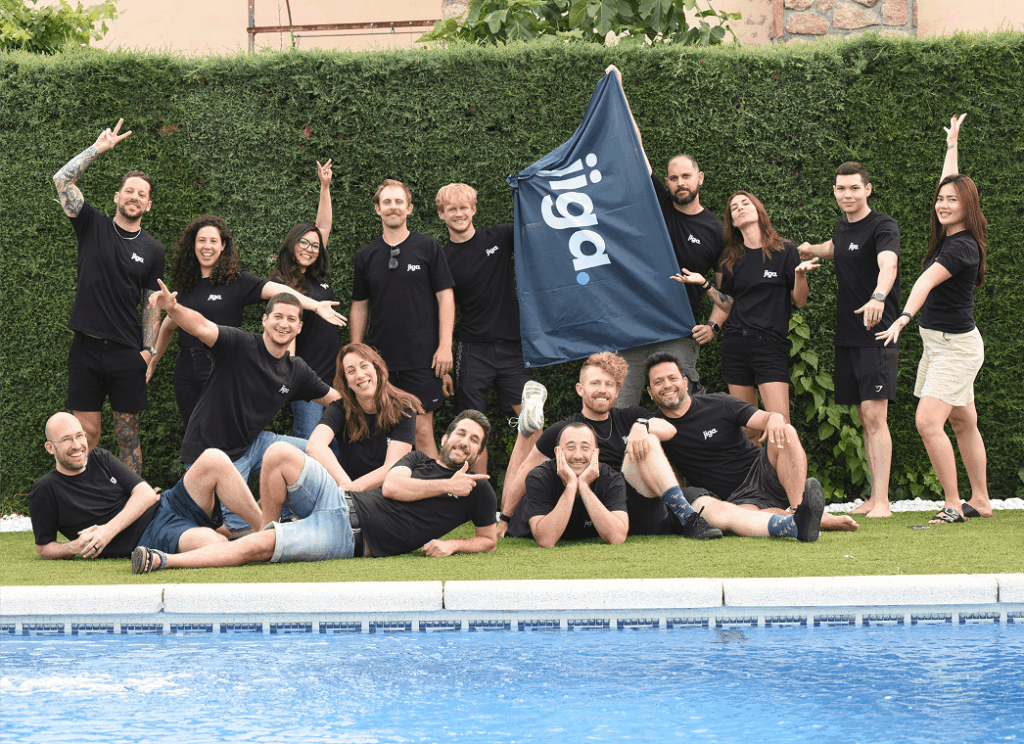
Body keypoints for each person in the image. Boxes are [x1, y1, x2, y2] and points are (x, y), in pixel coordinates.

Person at [130, 411, 497, 571]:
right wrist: (447, 485)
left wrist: (452, 544)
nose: (465, 442)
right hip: (339, 500)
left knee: (257, 549)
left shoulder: (479, 491)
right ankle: (268, 528)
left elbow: (489, 539)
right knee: (279, 453)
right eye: (461, 433)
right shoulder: (418, 459)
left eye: (474, 441)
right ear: (446, 437)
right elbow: (394, 487)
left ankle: (166, 561)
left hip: (347, 537)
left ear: (478, 453)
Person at [875, 114, 992, 525]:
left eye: (951, 201)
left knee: (928, 421)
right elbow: (953, 183)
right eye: (940, 199)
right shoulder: (954, 235)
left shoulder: (960, 249)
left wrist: (904, 316)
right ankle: (981, 499)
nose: (942, 204)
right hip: (942, 344)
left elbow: (924, 282)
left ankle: (954, 504)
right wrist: (951, 146)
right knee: (962, 421)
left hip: (954, 348)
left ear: (968, 207)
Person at [151, 282, 341, 531]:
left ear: (299, 327)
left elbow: (336, 400)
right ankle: (254, 521)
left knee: (316, 454)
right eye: (278, 316)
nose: (284, 324)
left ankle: (322, 510)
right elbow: (201, 326)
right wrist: (173, 308)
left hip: (254, 443)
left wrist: (383, 406)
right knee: (238, 530)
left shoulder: (297, 370)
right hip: (213, 455)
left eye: (291, 319)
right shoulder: (238, 344)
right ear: (265, 320)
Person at [148, 206, 345, 428]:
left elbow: (279, 291)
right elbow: (168, 326)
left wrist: (316, 306)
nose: (207, 246)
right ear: (193, 245)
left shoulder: (237, 280)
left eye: (213, 241)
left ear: (223, 246)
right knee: (193, 433)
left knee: (223, 433)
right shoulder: (187, 285)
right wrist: (153, 360)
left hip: (223, 367)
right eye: (201, 240)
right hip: (186, 371)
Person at [627, 352, 856, 537]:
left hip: (765, 472)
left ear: (685, 383)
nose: (667, 385)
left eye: (672, 378)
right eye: (658, 382)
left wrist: (775, 418)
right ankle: (811, 522)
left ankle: (800, 509)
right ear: (650, 392)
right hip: (736, 500)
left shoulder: (719, 404)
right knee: (747, 521)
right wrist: (639, 428)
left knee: (786, 431)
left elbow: (766, 418)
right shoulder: (654, 427)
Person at [499, 352, 718, 540]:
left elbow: (669, 430)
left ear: (617, 390)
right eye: (595, 383)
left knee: (650, 438)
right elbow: (527, 470)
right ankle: (524, 432)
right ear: (580, 389)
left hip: (636, 503)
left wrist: (642, 426)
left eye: (609, 384)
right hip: (597, 508)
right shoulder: (565, 431)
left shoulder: (632, 416)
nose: (602, 390)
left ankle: (688, 517)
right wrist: (505, 518)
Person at [605, 66, 727, 405]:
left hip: (677, 330)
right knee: (619, 406)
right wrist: (618, 87)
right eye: (673, 178)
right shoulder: (658, 203)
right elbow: (634, 144)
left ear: (700, 178)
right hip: (634, 325)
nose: (679, 183)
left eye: (686, 176)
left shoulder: (716, 230)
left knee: (680, 406)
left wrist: (714, 326)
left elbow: (726, 290)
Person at [52, 118, 165, 474]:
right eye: (129, 191)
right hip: (85, 347)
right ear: (117, 196)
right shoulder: (92, 224)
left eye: (141, 194)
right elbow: (61, 180)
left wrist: (149, 350)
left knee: (128, 434)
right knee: (84, 434)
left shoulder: (153, 250)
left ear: (148, 205)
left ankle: (135, 509)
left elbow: (151, 304)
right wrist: (98, 148)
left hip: (126, 352)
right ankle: (81, 500)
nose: (134, 197)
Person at [798, 162, 902, 518]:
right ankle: (873, 498)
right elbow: (837, 246)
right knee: (863, 414)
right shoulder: (843, 227)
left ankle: (883, 502)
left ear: (868, 190)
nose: (848, 195)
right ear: (835, 192)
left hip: (878, 332)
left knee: (875, 414)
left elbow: (888, 264)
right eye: (841, 189)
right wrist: (810, 248)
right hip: (847, 335)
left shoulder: (883, 226)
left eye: (854, 189)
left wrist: (878, 296)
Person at [673, 191, 818, 441]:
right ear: (732, 221)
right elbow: (728, 303)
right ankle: (754, 481)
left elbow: (799, 301)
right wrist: (705, 284)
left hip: (770, 345)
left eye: (745, 203)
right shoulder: (732, 257)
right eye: (734, 208)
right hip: (735, 346)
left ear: (758, 210)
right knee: (747, 429)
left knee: (781, 427)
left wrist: (801, 275)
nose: (739, 208)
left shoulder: (785, 250)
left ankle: (787, 481)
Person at [30, 412, 262, 560]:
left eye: (79, 436)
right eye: (66, 440)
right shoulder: (46, 490)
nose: (77, 445)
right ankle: (243, 538)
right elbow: (44, 547)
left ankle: (268, 530)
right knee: (214, 544)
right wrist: (73, 547)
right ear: (50, 448)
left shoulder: (99, 457)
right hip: (149, 535)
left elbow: (145, 494)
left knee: (214, 458)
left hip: (167, 505)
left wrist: (106, 531)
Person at [436, 182, 538, 475]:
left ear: (474, 209)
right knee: (471, 429)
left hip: (512, 349)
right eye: (451, 209)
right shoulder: (441, 259)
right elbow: (440, 311)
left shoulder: (500, 236)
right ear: (441, 215)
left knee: (533, 423)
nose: (459, 213)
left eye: (464, 207)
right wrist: (444, 366)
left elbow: (537, 224)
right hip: (472, 350)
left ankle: (530, 490)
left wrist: (530, 186)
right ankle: (479, 496)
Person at [350, 179, 455, 457]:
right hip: (379, 362)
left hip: (422, 360)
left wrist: (445, 346)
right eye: (387, 202)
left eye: (399, 202)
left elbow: (446, 298)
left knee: (422, 432)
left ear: (409, 208)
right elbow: (359, 305)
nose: (393, 207)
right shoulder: (366, 255)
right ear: (377, 209)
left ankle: (435, 497)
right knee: (381, 437)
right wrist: (356, 352)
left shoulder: (428, 247)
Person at [270, 160, 347, 443]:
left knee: (334, 445)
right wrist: (289, 374)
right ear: (291, 244)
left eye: (314, 245)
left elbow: (323, 226)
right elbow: (284, 331)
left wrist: (325, 187)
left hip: (336, 377)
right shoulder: (281, 283)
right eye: (303, 242)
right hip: (309, 381)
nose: (310, 249)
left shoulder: (318, 276)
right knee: (309, 446)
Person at [306, 343, 423, 492]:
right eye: (351, 371)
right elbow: (314, 445)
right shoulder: (339, 408)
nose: (360, 375)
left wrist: (352, 489)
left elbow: (393, 465)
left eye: (364, 366)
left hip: (386, 493)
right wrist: (345, 484)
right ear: (346, 381)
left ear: (376, 367)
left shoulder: (404, 407)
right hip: (348, 491)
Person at [506, 423, 629, 547]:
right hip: (526, 536)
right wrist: (571, 485)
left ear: (596, 453)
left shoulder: (612, 478)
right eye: (570, 447)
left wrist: (584, 486)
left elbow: (617, 537)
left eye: (585, 448)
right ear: (557, 451)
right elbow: (546, 540)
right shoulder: (538, 477)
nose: (577, 456)